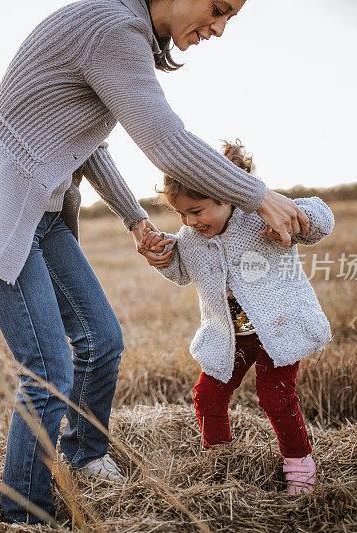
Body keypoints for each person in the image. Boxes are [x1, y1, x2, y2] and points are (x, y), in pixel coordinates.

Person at [0, 0, 310, 524]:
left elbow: (85, 146)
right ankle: (22, 514)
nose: (221, 28)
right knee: (48, 370)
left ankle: (85, 457)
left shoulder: (118, 31)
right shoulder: (113, 27)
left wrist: (135, 218)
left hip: (40, 217)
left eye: (231, 17)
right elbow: (166, 141)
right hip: (2, 211)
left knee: (102, 340)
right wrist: (258, 195)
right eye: (219, 7)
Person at [140, 140, 334, 494]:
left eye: (196, 211)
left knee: (275, 395)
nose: (189, 221)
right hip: (232, 336)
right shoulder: (191, 237)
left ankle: (299, 464)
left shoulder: (263, 213)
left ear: (227, 193)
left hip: (280, 328)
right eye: (181, 214)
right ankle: (221, 462)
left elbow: (320, 217)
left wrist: (295, 224)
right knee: (207, 396)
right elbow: (182, 272)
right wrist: (163, 256)